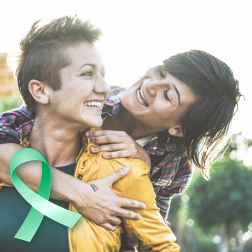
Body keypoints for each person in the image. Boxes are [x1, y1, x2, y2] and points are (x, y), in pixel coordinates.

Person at [0, 17, 241, 251]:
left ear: (179, 129)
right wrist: (83, 194)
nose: (150, 85)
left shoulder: (172, 163)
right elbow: (9, 132)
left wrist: (141, 169)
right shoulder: (91, 102)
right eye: (160, 72)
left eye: (168, 94)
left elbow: (138, 233)